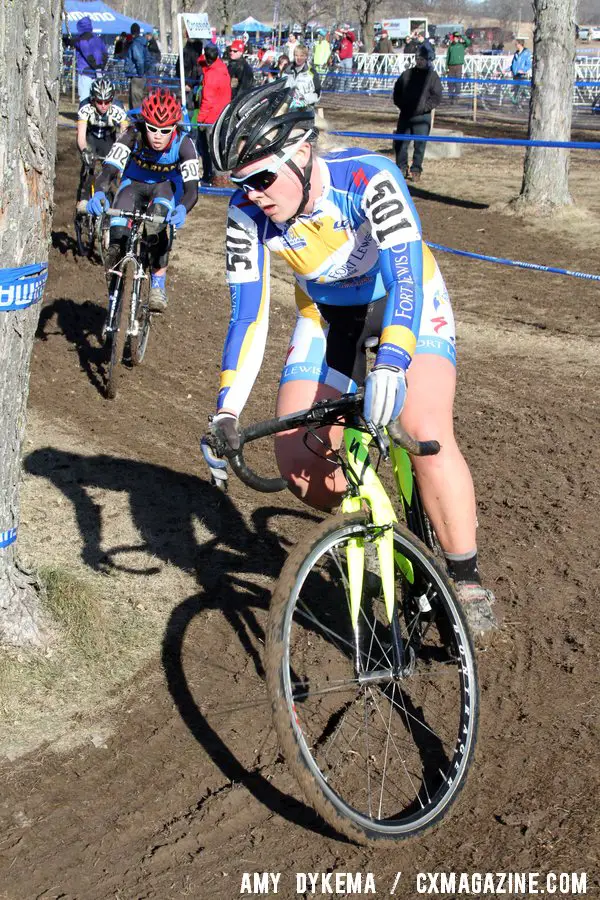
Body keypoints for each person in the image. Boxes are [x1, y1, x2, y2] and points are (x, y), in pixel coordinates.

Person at [201, 82, 498, 639]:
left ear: (302, 151)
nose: (253, 194)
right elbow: (248, 318)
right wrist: (225, 412)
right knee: (300, 465)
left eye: (262, 177)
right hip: (328, 317)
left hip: (403, 301)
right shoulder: (247, 215)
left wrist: (391, 361)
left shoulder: (368, 178)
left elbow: (406, 275)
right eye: (240, 183)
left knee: (424, 427)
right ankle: (373, 520)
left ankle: (466, 576)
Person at [86, 89, 199, 312]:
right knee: (118, 231)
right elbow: (108, 171)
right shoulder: (132, 135)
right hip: (133, 184)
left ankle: (157, 286)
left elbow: (192, 191)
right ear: (144, 124)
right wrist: (99, 192)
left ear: (174, 128)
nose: (157, 135)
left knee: (156, 227)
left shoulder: (185, 145)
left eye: (165, 130)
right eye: (152, 128)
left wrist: (183, 208)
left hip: (165, 187)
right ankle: (115, 280)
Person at [393, 45, 442, 182]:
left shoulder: (432, 77)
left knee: (419, 145)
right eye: (418, 58)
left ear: (428, 61)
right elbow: (397, 90)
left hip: (422, 116)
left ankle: (416, 170)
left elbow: (436, 96)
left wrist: (424, 108)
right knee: (401, 144)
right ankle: (401, 168)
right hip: (406, 115)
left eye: (422, 59)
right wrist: (401, 104)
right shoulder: (407, 74)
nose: (419, 61)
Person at [76, 78, 127, 204]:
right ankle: (83, 200)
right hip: (91, 137)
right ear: (93, 99)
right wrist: (84, 150)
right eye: (99, 102)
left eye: (107, 101)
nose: (103, 105)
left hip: (108, 138)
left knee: (112, 170)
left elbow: (124, 134)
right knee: (88, 168)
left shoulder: (118, 108)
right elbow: (81, 137)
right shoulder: (85, 106)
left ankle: (112, 201)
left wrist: (121, 153)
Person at [197, 43, 232, 185]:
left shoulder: (212, 75)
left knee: (209, 150)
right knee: (217, 148)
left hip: (210, 118)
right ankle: (216, 176)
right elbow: (201, 61)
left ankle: (214, 178)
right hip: (221, 114)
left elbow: (207, 100)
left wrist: (200, 120)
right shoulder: (221, 67)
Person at [73, 16, 107, 101]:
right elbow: (105, 54)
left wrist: (96, 67)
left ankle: (84, 114)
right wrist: (100, 68)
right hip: (98, 72)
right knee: (97, 97)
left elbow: (87, 55)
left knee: (84, 97)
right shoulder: (98, 39)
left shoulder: (82, 39)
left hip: (85, 72)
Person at [124, 23, 153, 111]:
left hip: (136, 76)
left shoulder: (136, 44)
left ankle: (138, 121)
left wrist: (140, 73)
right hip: (140, 75)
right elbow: (148, 59)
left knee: (136, 101)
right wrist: (144, 71)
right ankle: (137, 119)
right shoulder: (143, 43)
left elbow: (139, 60)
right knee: (139, 99)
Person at [286, 44, 321, 109]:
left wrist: (304, 102)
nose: (299, 58)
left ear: (306, 57)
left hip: (306, 109)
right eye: (296, 55)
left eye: (302, 56)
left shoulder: (311, 73)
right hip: (288, 108)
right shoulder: (288, 71)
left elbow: (317, 94)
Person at [445, 31, 471, 103]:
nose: (457, 38)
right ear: (453, 38)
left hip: (458, 66)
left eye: (458, 37)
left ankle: (456, 98)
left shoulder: (462, 45)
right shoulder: (450, 46)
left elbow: (469, 42)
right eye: (455, 37)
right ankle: (450, 98)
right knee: (450, 83)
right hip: (450, 67)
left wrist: (462, 36)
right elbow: (447, 57)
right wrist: (446, 67)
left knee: (458, 83)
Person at [510, 39, 532, 104]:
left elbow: (529, 64)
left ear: (520, 44)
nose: (515, 45)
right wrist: (505, 70)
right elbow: (513, 65)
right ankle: (517, 105)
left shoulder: (526, 53)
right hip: (515, 75)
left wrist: (523, 70)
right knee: (515, 92)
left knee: (520, 92)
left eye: (516, 44)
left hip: (522, 75)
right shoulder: (516, 53)